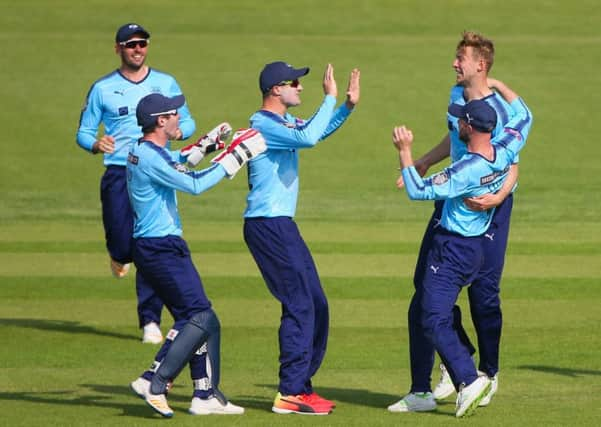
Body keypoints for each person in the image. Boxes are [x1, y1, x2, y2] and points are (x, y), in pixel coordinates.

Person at [395, 31, 533, 409]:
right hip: (456, 192)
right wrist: (425, 160)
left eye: (461, 58)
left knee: (483, 294)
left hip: (490, 204)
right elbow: (457, 139)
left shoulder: (499, 113)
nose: (455, 63)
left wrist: (498, 196)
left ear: (481, 65)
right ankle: (444, 371)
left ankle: (487, 372)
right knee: (426, 287)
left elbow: (512, 162)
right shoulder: (458, 99)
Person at [126, 93, 265, 417]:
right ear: (161, 121)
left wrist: (205, 146)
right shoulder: (150, 158)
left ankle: (205, 394)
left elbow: (172, 163)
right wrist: (236, 155)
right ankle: (156, 382)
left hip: (153, 247)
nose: (180, 119)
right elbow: (195, 185)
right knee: (199, 316)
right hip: (162, 249)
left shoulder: (141, 150)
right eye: (174, 114)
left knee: (204, 320)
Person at [243, 61, 360, 415]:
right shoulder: (263, 123)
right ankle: (290, 391)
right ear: (275, 89)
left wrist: (345, 108)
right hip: (268, 224)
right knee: (300, 304)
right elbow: (307, 138)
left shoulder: (282, 123)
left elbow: (314, 132)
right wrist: (330, 97)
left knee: (316, 303)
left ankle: (300, 387)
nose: (300, 87)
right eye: (294, 82)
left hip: (281, 224)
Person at [76, 23, 196, 344]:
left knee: (149, 244)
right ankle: (118, 254)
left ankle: (150, 320)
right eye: (130, 44)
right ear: (118, 48)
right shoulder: (102, 88)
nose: (138, 49)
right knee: (123, 245)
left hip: (155, 170)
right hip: (119, 170)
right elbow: (83, 132)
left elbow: (188, 119)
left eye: (142, 43)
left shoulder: (164, 82)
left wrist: (182, 130)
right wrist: (96, 143)